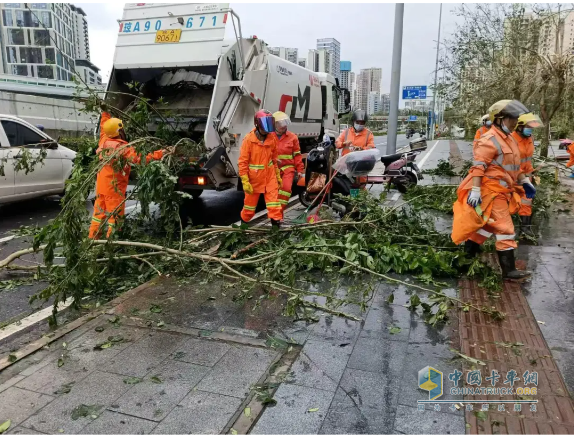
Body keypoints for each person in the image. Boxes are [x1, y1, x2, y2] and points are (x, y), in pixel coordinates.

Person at [451, 100, 536, 279]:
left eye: (516, 119)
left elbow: (515, 166)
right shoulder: (488, 140)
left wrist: (525, 181)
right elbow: (478, 167)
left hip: (505, 191)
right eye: (512, 118)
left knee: (487, 227)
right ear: (499, 119)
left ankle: (466, 258)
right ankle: (509, 270)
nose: (515, 122)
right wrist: (475, 190)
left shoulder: (510, 139)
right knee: (505, 229)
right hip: (492, 191)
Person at [88, 112, 168, 239]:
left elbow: (104, 126)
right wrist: (160, 153)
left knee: (98, 216)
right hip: (114, 189)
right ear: (118, 131)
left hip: (101, 188)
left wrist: (105, 113)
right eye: (122, 129)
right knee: (115, 219)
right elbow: (140, 159)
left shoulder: (103, 141)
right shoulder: (122, 148)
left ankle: (93, 239)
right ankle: (112, 244)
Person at [238, 109, 283, 227]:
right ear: (258, 124)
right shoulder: (248, 140)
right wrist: (245, 181)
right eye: (265, 123)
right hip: (254, 180)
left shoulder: (271, 138)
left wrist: (277, 175)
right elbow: (243, 162)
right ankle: (242, 229)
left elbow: (274, 159)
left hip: (270, 178)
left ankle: (276, 229)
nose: (267, 127)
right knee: (249, 209)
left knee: (274, 206)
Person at [512, 113, 543, 238]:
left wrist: (532, 172)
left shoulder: (529, 139)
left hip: (526, 176)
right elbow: (511, 161)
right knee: (508, 202)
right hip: (513, 177)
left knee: (527, 201)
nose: (530, 129)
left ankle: (525, 228)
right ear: (519, 127)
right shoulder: (511, 139)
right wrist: (522, 176)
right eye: (527, 126)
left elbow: (527, 159)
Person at [272, 111, 304, 209]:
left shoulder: (292, 137)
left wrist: (300, 170)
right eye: (281, 123)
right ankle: (275, 214)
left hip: (287, 169)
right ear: (275, 124)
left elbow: (297, 155)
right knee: (273, 192)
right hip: (273, 168)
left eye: (285, 123)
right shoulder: (269, 137)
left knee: (285, 189)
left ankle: (279, 212)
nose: (284, 126)